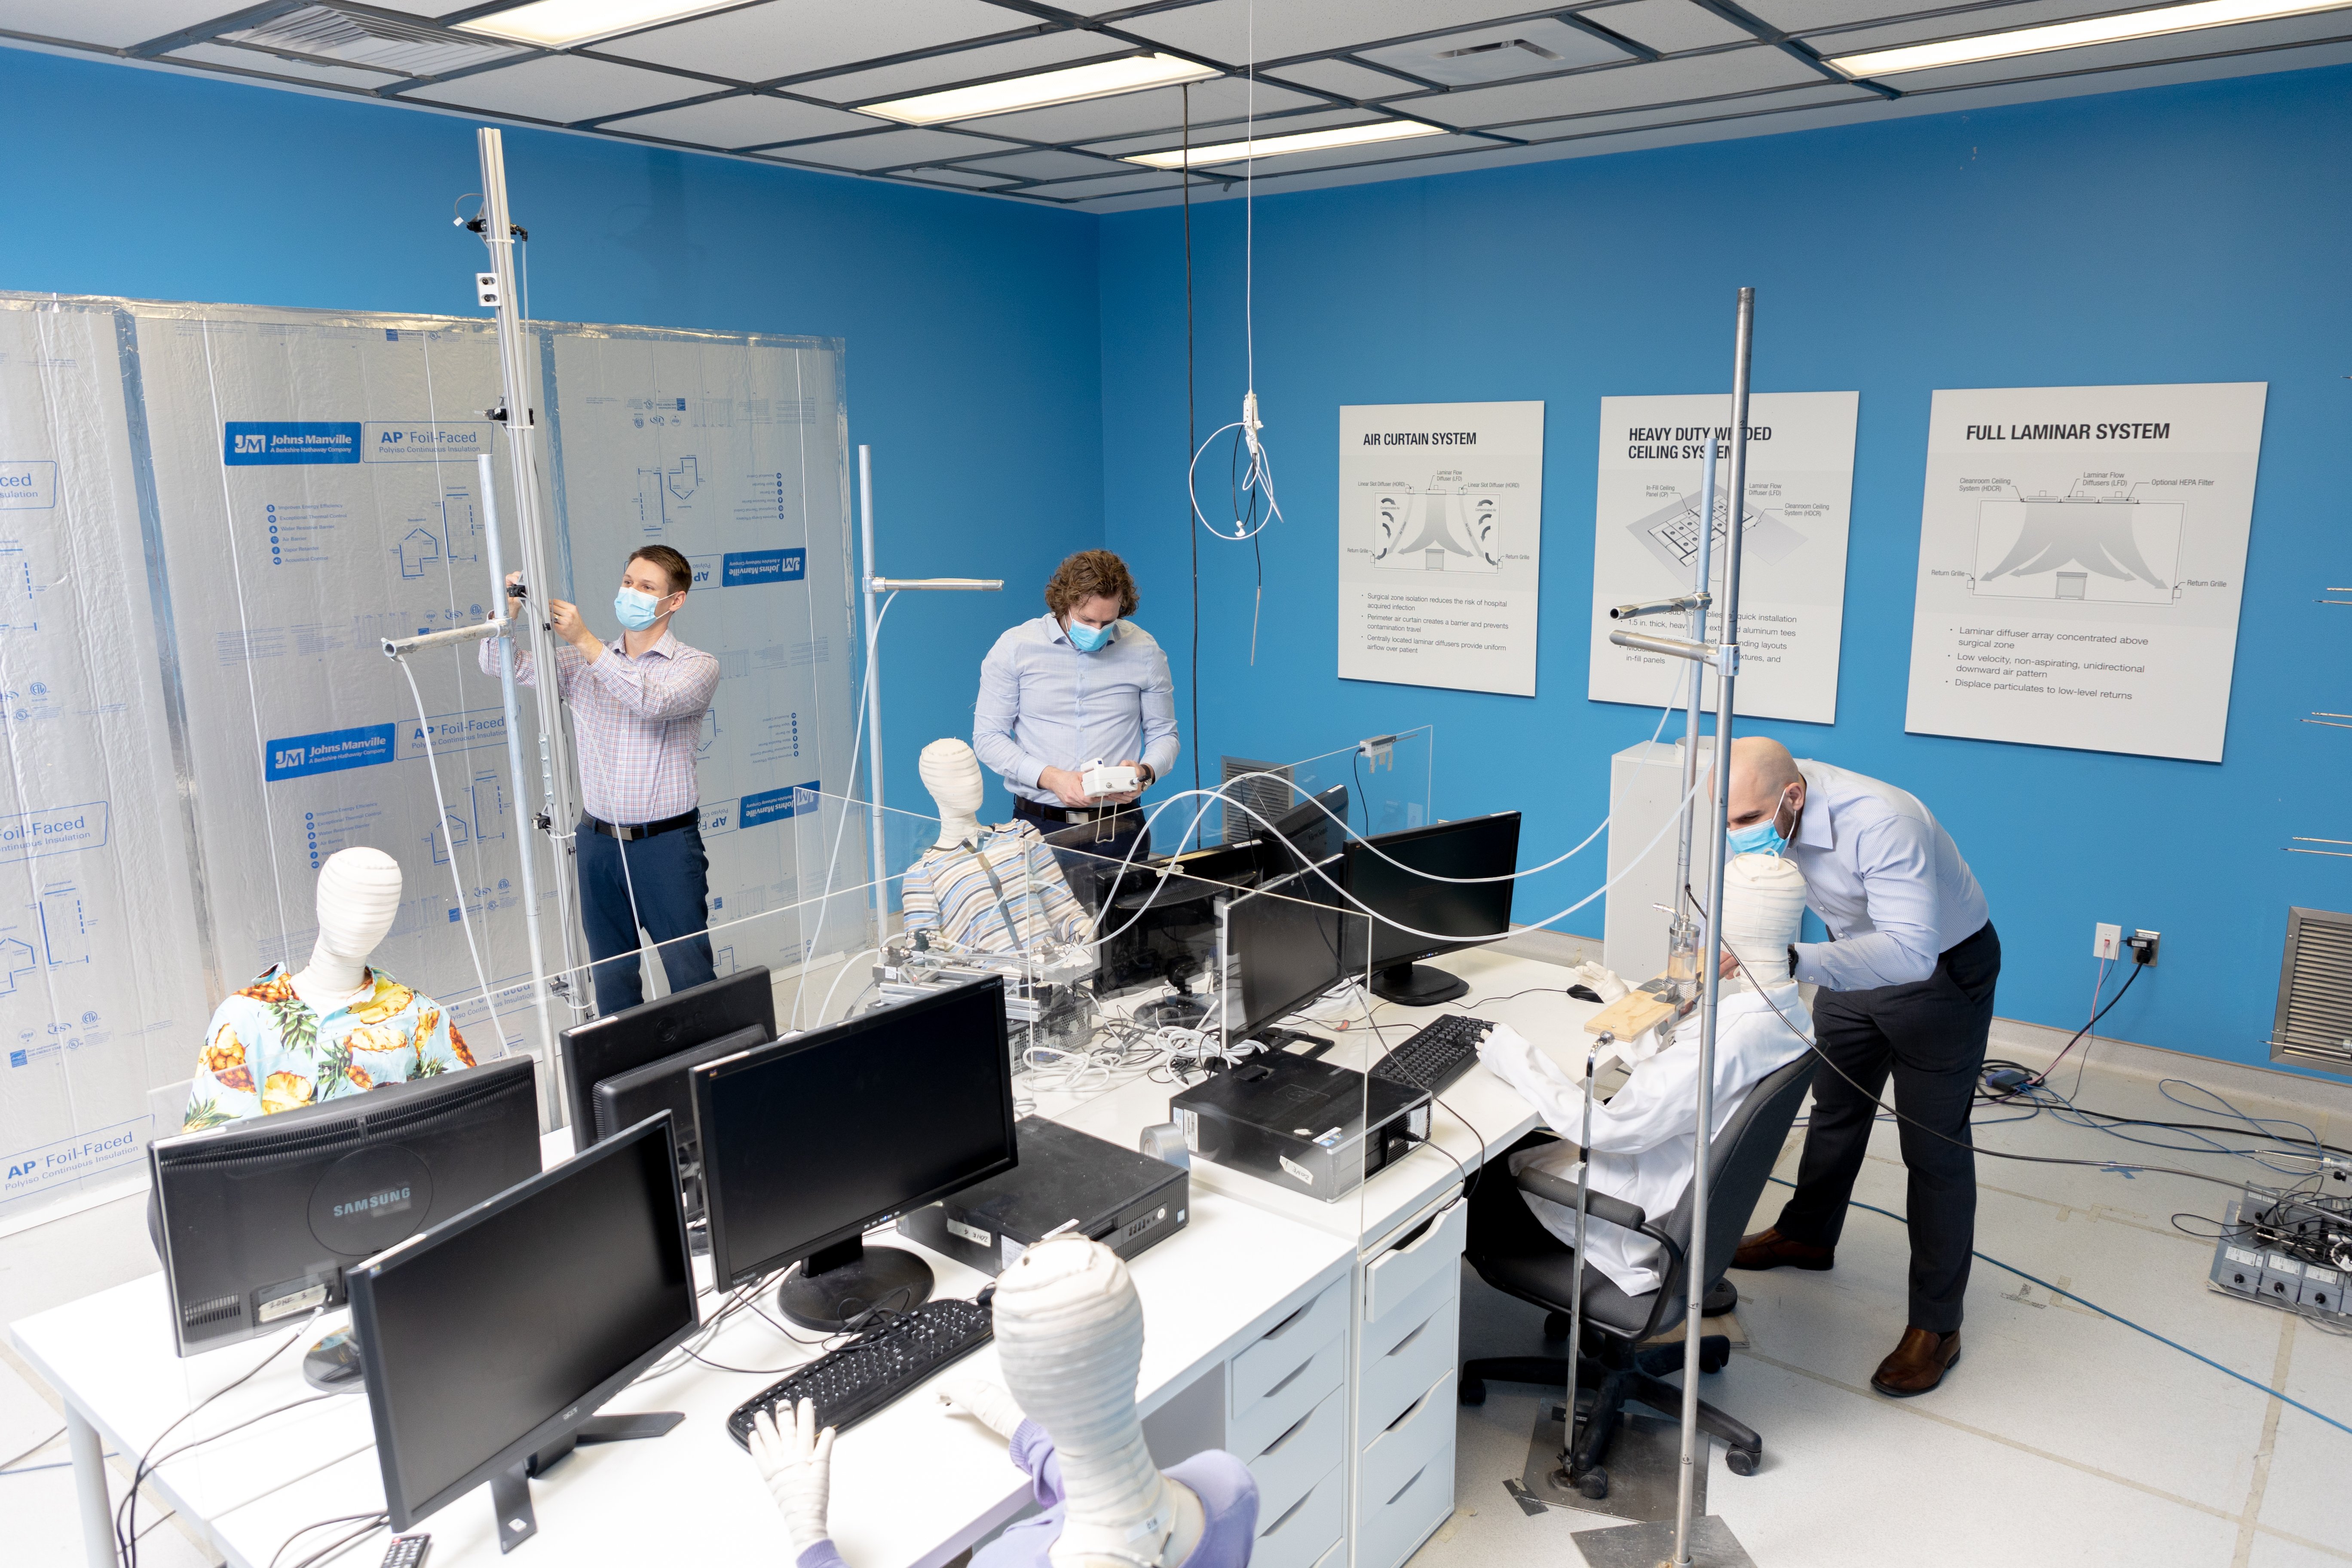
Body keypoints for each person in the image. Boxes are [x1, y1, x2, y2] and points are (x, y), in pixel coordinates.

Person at [1719, 737, 1999, 1398]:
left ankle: (1938, 1326)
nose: (1737, 836)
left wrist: (1792, 960)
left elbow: (1908, 955)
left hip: (1939, 972)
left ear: (1791, 799)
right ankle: (1808, 1234)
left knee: (1933, 1147)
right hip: (1850, 959)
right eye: (1728, 822)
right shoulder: (1769, 793)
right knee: (1836, 1106)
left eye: (1745, 823)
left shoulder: (1881, 821)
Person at [1474, 852, 1811, 1297]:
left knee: (1470, 1174)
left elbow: (1611, 1130)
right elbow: (1686, 1080)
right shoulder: (1788, 1015)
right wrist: (1623, 1005)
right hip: (1676, 1189)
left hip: (1626, 1218)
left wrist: (1518, 1060)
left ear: (1735, 924)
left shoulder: (1730, 1033)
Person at [485, 545, 720, 1018]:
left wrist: (585, 642)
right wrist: (503, 617)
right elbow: (503, 666)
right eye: (629, 581)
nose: (631, 592)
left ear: (675, 602)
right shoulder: (580, 667)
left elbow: (650, 701)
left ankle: (709, 1076)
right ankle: (627, 1085)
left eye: (647, 587)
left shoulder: (695, 666)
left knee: (691, 978)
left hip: (666, 848)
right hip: (597, 845)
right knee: (611, 983)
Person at [974, 550, 1178, 861]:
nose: (1097, 630)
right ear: (1065, 602)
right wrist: (1052, 778)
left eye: (1108, 621)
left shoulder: (1144, 651)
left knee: (1126, 911)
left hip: (1120, 829)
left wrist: (1145, 772)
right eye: (1087, 620)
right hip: (1039, 829)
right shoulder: (1015, 649)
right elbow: (988, 738)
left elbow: (1165, 735)